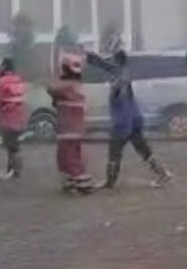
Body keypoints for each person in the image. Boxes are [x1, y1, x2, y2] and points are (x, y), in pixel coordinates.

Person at [86, 50, 171, 189]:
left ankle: (110, 181)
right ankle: (162, 173)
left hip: (122, 122)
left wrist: (96, 61)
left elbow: (111, 71)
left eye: (113, 60)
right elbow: (108, 67)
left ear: (116, 61)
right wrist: (96, 60)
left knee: (114, 151)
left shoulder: (119, 78)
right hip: (134, 118)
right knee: (143, 149)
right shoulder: (125, 73)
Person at [47, 53, 96, 194]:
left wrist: (55, 76)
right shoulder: (76, 85)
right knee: (65, 156)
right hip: (71, 129)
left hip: (69, 129)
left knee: (70, 156)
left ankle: (82, 183)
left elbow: (51, 89)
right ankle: (71, 181)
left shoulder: (67, 86)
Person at [0, 58, 27, 180]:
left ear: (3, 67)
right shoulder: (19, 80)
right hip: (19, 116)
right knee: (13, 144)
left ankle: (15, 170)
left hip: (7, 118)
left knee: (11, 145)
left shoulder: (1, 82)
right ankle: (12, 169)